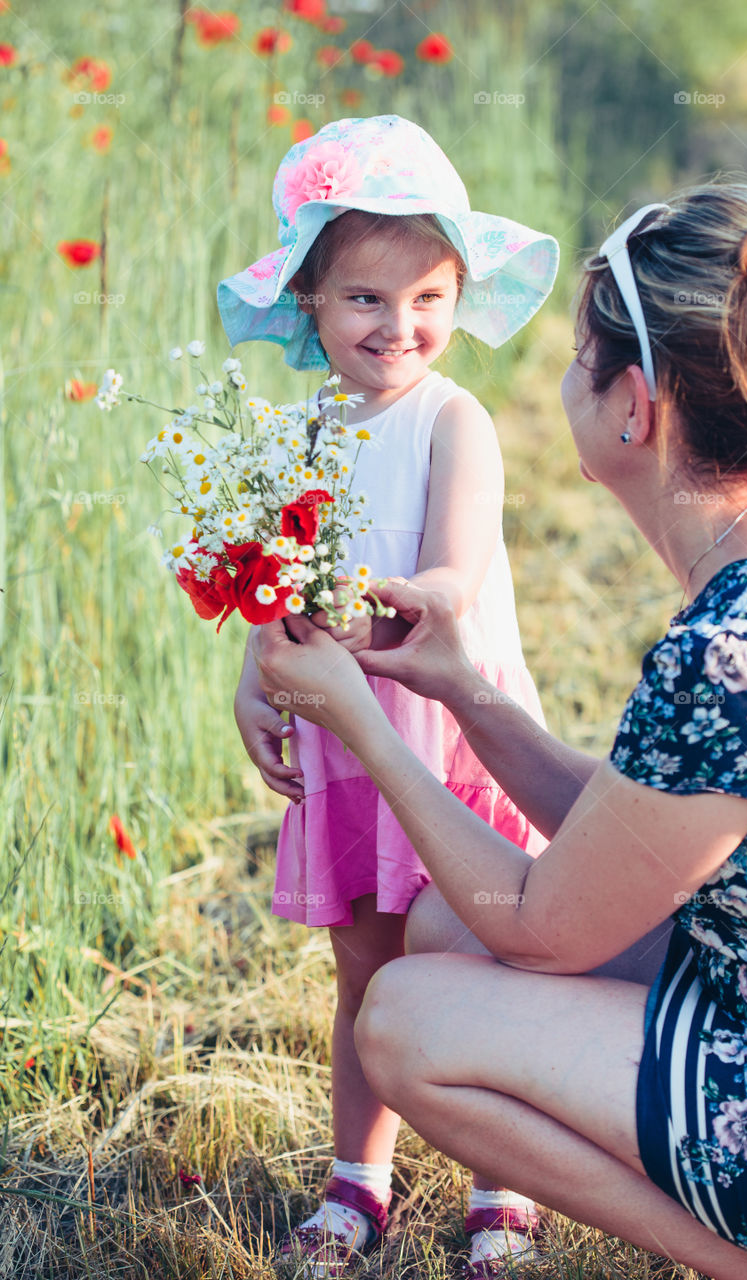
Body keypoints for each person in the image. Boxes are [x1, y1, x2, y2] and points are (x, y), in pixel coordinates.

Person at [248, 180, 747, 1280]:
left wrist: (365, 723)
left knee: (406, 1017)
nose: (560, 377)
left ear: (634, 406)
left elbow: (540, 927)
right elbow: (641, 831)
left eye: (580, 356)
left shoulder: (743, 644)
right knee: (439, 933)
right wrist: (465, 690)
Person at [218, 115, 560, 1277]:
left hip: (446, 736)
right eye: (365, 298)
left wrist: (349, 631)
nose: (398, 326)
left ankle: (501, 1181)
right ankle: (356, 1176)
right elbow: (268, 584)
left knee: (468, 960)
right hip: (349, 747)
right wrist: (259, 678)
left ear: (459, 292)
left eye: (427, 296)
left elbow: (448, 588)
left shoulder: (452, 421)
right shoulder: (302, 430)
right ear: (309, 299)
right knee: (364, 967)